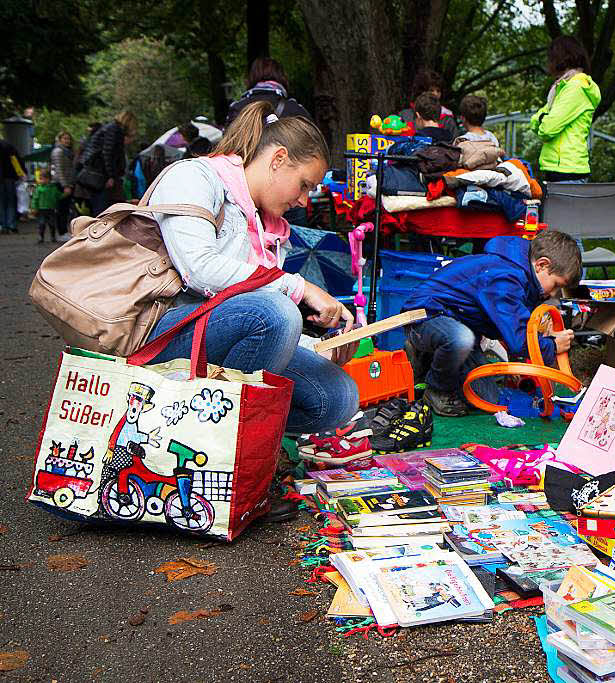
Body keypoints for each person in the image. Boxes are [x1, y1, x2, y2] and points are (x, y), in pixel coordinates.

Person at [144, 101, 360, 520]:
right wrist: (301, 288)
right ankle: (234, 466)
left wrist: (317, 345)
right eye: (303, 185)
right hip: (163, 330)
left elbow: (255, 316)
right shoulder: (193, 177)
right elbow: (200, 269)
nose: (302, 200)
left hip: (217, 329)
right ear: (278, 160)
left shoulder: (267, 221)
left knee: (338, 397)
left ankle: (243, 448)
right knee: (277, 312)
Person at [401, 230, 581, 417]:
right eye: (557, 285)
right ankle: (436, 389)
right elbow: (518, 340)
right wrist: (552, 345)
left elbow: (508, 326)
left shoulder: (523, 275)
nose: (554, 294)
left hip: (458, 325)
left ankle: (428, 358)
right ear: (542, 265)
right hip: (425, 317)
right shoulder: (505, 277)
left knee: (488, 398)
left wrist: (539, 331)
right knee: (460, 338)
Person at [530, 35, 601, 183]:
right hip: (560, 168)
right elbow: (534, 122)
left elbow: (547, 129)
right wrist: (544, 118)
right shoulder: (562, 87)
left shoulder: (576, 87)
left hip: (567, 170)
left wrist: (544, 118)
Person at [76, 110, 137, 215]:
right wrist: (111, 176)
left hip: (96, 173)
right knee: (101, 208)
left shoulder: (109, 128)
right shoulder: (114, 130)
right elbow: (108, 154)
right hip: (100, 174)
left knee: (99, 206)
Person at [224, 57, 311, 128]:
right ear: (282, 77)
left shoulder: (237, 109)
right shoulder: (295, 109)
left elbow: (226, 144)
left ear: (251, 77)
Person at [399, 68, 458, 137]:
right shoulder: (405, 115)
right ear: (421, 91)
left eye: (438, 91)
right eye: (431, 90)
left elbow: (454, 143)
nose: (435, 94)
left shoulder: (447, 119)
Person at [49, 131, 75, 239]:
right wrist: (65, 186)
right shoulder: (58, 152)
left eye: (68, 139)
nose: (67, 141)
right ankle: (61, 232)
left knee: (65, 209)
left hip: (67, 183)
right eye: (64, 138)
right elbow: (59, 170)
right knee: (61, 209)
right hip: (61, 184)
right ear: (59, 140)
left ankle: (63, 231)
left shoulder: (67, 152)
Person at [0, 138, 26, 233]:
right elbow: (17, 159)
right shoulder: (8, 145)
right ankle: (11, 225)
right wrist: (22, 172)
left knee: (1, 202)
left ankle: (3, 225)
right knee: (11, 201)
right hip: (10, 177)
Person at [30, 168, 61, 243]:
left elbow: (58, 196)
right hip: (41, 209)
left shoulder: (53, 188)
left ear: (49, 179)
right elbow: (35, 199)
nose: (42, 180)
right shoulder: (38, 189)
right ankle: (41, 237)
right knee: (41, 224)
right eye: (40, 179)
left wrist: (65, 194)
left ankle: (53, 237)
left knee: (52, 224)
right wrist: (34, 208)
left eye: (43, 178)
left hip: (51, 209)